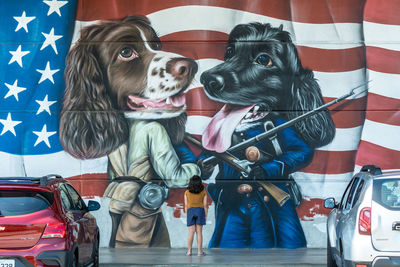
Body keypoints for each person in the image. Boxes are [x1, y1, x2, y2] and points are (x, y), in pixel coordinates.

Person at [184, 175, 208, 256]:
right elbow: (205, 205)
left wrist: (187, 215)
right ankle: (199, 252)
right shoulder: (203, 191)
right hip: (200, 211)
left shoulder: (187, 192)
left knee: (191, 231)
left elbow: (186, 205)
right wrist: (205, 215)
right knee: (199, 232)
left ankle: (189, 251)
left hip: (190, 211)